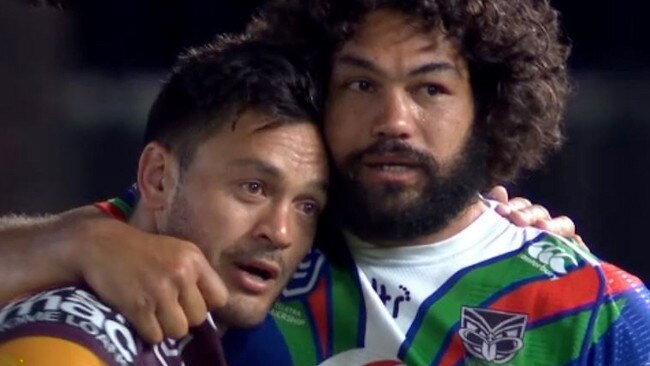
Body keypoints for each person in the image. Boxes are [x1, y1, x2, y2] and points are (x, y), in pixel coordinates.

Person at [2, 0, 642, 365]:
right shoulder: (255, 244)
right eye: (361, 85)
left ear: (491, 105)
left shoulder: (596, 310)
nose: (393, 120)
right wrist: (72, 242)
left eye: (430, 88)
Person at [0, 38, 330, 365]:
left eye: (307, 206)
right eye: (254, 187)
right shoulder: (70, 336)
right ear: (159, 178)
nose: (281, 232)